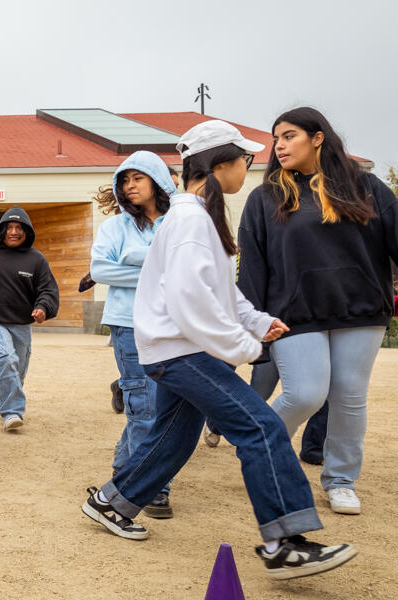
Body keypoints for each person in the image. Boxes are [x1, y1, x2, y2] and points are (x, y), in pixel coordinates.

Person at [81, 119, 357, 580]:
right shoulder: (191, 220)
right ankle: (285, 544)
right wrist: (244, 346)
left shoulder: (197, 216)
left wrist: (256, 320)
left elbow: (219, 290)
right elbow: (191, 302)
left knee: (175, 435)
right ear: (220, 164)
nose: (246, 169)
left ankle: (112, 501)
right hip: (181, 351)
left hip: (175, 349)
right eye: (244, 161)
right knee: (261, 427)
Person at [238, 107, 398, 515]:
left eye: (289, 135)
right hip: (293, 312)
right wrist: (251, 326)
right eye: (276, 139)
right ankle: (263, 451)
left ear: (318, 137)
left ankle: (341, 479)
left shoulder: (368, 188)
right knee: (305, 393)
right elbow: (253, 265)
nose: (280, 145)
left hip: (360, 310)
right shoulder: (265, 198)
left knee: (349, 396)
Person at [89, 151, 177, 518]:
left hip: (175, 323)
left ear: (158, 179)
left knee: (165, 405)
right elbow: (100, 269)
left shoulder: (179, 222)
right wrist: (156, 270)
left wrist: (133, 258)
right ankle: (152, 485)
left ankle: (127, 461)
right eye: (124, 181)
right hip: (127, 322)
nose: (129, 186)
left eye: (137, 178)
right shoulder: (114, 228)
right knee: (143, 404)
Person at [0, 206, 59, 437]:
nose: (13, 232)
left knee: (17, 371)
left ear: (27, 231)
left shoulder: (36, 259)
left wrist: (43, 308)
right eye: (9, 227)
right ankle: (11, 412)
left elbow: (48, 290)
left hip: (21, 323)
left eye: (19, 228)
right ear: (1, 230)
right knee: (6, 359)